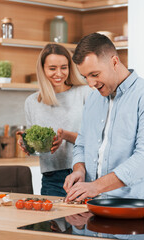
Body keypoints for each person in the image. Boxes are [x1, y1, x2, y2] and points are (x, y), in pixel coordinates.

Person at [63, 33, 144, 202]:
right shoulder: (93, 99)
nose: (91, 84)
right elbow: (82, 143)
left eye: (95, 74)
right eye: (86, 77)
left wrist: (96, 186)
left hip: (134, 209)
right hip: (92, 206)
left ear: (114, 62)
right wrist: (79, 170)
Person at [19, 43, 92, 197]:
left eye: (63, 67)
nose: (58, 73)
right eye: (52, 68)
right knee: (52, 221)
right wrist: (27, 144)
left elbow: (96, 141)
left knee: (86, 221)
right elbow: (38, 149)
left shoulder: (85, 93)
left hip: (85, 175)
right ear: (43, 69)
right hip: (51, 177)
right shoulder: (32, 102)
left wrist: (65, 136)